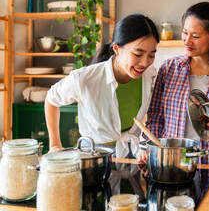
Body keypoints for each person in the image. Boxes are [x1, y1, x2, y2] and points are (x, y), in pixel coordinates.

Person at [140, 0, 209, 166]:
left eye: (195, 36)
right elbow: (155, 119)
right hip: (170, 166)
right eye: (184, 32)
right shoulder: (170, 68)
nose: (187, 41)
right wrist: (149, 152)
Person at [45, 14, 160, 158]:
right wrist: (55, 144)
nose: (144, 63)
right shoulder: (85, 78)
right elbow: (51, 100)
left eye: (151, 55)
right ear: (117, 49)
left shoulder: (149, 75)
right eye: (138, 54)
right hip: (93, 155)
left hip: (130, 152)